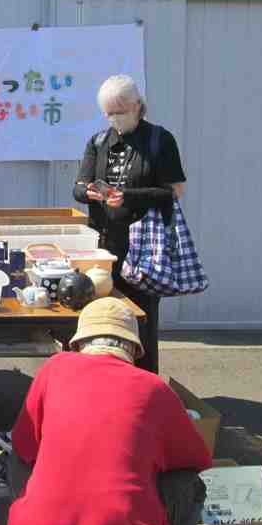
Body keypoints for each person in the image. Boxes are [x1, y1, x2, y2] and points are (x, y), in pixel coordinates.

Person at [8, 298, 210, 525]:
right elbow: (197, 459)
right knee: (191, 485)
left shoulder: (54, 369)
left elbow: (24, 445)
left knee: (18, 456)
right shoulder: (154, 388)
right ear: (133, 349)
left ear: (79, 343)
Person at [73, 75, 186, 374]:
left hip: (144, 248)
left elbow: (174, 191)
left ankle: (144, 383)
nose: (115, 119)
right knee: (100, 320)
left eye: (120, 112)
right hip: (103, 248)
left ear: (137, 105)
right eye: (109, 113)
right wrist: (88, 192)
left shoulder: (160, 140)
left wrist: (129, 196)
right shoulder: (99, 142)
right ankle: (102, 382)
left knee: (141, 321)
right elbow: (78, 187)